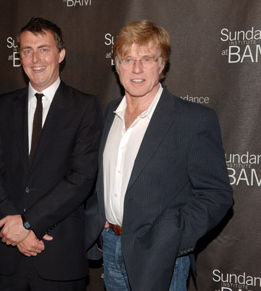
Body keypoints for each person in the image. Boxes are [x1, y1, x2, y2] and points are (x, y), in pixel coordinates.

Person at [85, 20, 233, 291]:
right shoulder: (110, 113)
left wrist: (170, 238)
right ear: (117, 65)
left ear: (162, 64)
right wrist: (100, 218)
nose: (137, 68)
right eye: (128, 59)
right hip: (111, 247)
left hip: (160, 258)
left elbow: (217, 195)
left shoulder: (192, 120)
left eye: (147, 59)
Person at [0, 17, 103, 291]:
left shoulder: (84, 107)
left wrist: (29, 224)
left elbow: (82, 178)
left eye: (43, 49)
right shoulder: (3, 106)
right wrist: (13, 228)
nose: (35, 58)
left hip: (58, 255)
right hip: (6, 253)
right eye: (27, 50)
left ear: (60, 54)